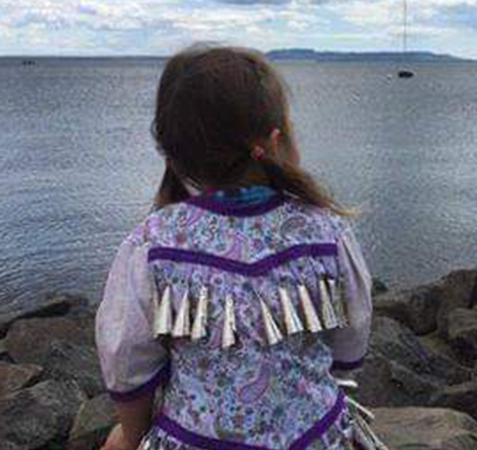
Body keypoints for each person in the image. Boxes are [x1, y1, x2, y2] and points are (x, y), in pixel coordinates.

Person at [95, 45, 373, 450]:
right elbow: (350, 346)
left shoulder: (152, 244)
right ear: (276, 139)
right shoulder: (327, 232)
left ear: (176, 152)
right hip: (314, 438)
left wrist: (133, 435)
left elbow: (127, 363)